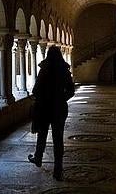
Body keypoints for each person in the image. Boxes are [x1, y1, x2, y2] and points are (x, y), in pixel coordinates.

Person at [28, 45, 75, 181]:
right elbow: (71, 90)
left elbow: (35, 90)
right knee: (58, 139)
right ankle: (58, 170)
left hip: (44, 108)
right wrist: (60, 99)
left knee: (42, 135)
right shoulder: (64, 70)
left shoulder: (44, 70)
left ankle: (38, 158)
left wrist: (43, 98)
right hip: (59, 109)